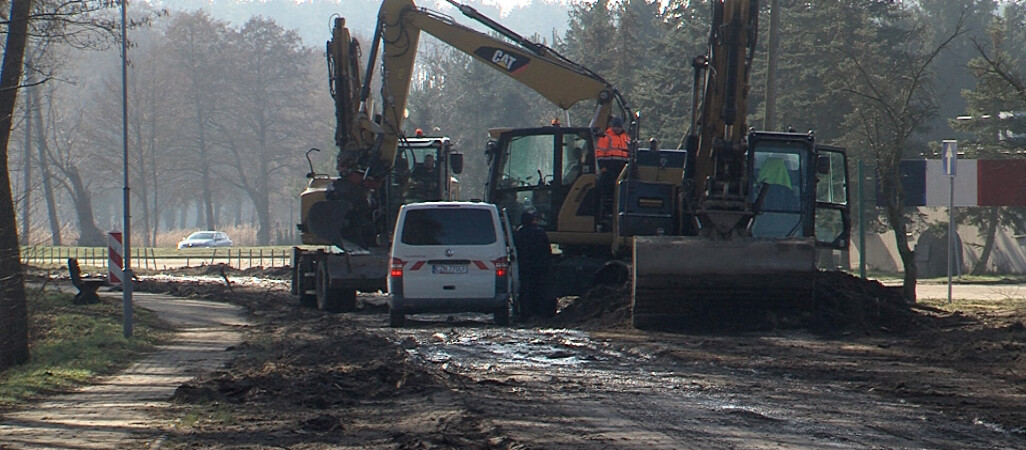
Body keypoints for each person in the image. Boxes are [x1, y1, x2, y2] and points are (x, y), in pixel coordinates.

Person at [513, 210, 553, 320]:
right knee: (539, 290)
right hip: (539, 267)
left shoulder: (518, 234)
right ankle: (540, 312)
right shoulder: (540, 233)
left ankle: (525, 314)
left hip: (524, 267)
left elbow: (515, 250)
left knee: (525, 291)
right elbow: (547, 250)